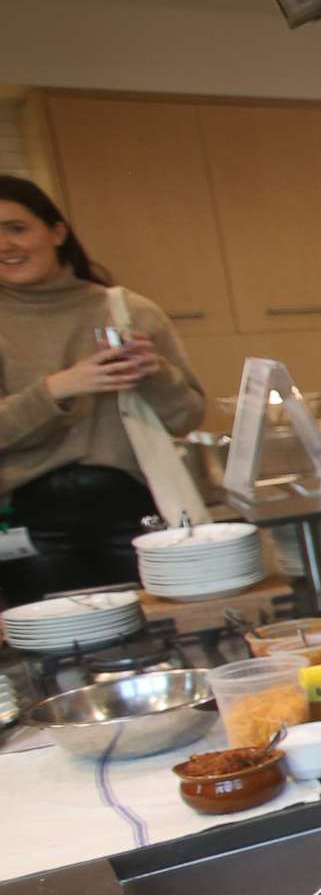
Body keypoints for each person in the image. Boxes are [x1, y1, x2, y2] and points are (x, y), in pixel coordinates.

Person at [0, 178, 206, 604]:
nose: (4, 245)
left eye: (16, 228)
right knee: (55, 649)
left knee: (159, 632)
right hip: (26, 521)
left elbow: (188, 417)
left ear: (57, 232)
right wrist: (59, 388)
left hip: (135, 509)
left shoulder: (126, 309)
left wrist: (157, 373)